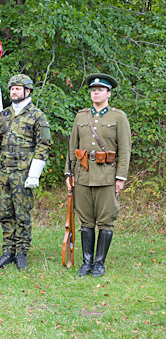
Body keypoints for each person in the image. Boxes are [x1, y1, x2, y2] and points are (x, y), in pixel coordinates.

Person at [65, 73, 131, 277]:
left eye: (100, 89)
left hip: (106, 176)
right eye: (93, 90)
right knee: (86, 220)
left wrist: (120, 178)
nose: (96, 92)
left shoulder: (118, 117)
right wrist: (69, 173)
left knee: (105, 220)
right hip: (83, 174)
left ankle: (99, 263)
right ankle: (87, 262)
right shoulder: (80, 116)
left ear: (109, 93)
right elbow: (72, 147)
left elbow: (125, 149)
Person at [0, 74, 51, 271]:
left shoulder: (37, 115)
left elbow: (43, 144)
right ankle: (8, 251)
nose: (13, 92)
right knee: (6, 212)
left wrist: (34, 174)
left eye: (17, 88)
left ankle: (21, 253)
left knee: (22, 214)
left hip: (23, 173)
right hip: (5, 171)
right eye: (12, 89)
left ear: (27, 91)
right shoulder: (3, 115)